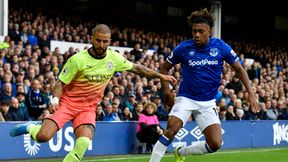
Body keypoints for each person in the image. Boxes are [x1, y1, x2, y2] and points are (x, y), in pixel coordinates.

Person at [9, 24, 176, 162]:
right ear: (92, 39)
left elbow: (138, 68)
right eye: (98, 40)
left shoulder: (114, 58)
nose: (101, 45)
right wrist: (54, 99)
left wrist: (160, 75)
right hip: (67, 104)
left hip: (88, 108)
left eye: (105, 41)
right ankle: (31, 127)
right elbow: (60, 83)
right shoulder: (77, 60)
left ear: (109, 41)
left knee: (83, 143)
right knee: (43, 137)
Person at [149, 8, 260, 162]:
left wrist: (251, 93)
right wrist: (167, 92)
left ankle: (181, 152)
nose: (196, 35)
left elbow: (239, 69)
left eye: (201, 31)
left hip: (207, 102)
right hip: (186, 98)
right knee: (172, 129)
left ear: (209, 32)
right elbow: (164, 68)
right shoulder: (184, 48)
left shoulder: (220, 47)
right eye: (194, 31)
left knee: (215, 144)